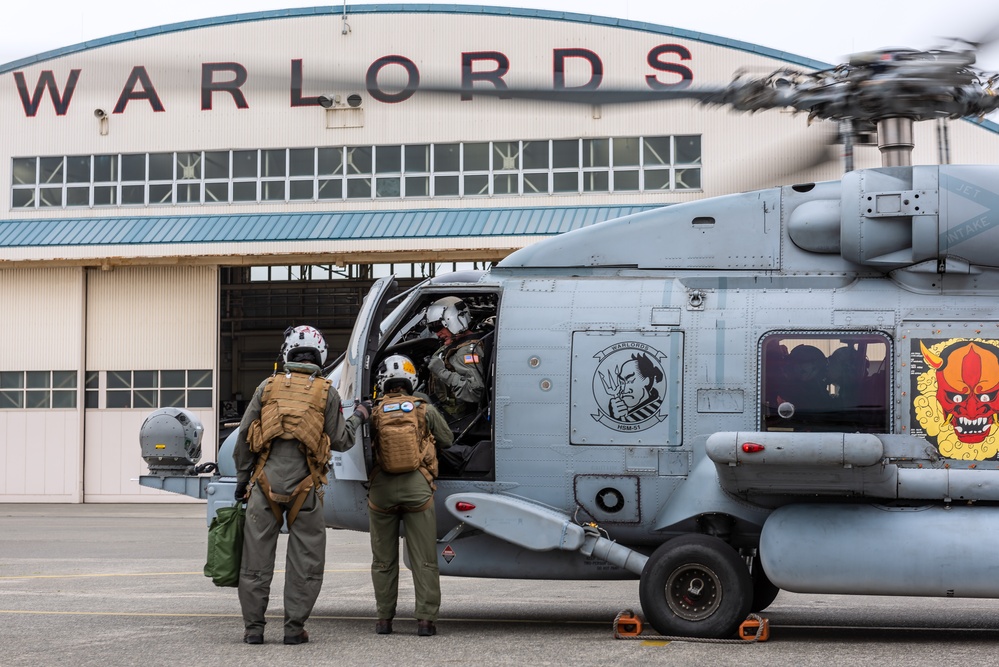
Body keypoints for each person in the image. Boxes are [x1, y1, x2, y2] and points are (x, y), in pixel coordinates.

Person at [233, 325, 367, 646]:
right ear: (320, 356)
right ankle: (294, 629)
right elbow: (342, 440)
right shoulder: (326, 392)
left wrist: (242, 482)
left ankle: (254, 629)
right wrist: (359, 415)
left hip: (263, 485)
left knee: (255, 560)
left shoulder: (266, 387)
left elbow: (243, 439)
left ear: (286, 353)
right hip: (305, 490)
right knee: (305, 561)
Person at [366, 354, 454, 637]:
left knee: (383, 559)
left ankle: (384, 620)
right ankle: (426, 621)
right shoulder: (422, 408)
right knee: (424, 558)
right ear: (411, 381)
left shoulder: (375, 411)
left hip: (381, 491)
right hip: (417, 489)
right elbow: (448, 439)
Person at [424, 296, 486, 430]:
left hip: (455, 422)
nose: (437, 333)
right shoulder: (456, 344)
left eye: (438, 327)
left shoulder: (466, 352)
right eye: (432, 329)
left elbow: (475, 392)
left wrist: (442, 372)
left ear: (453, 320)